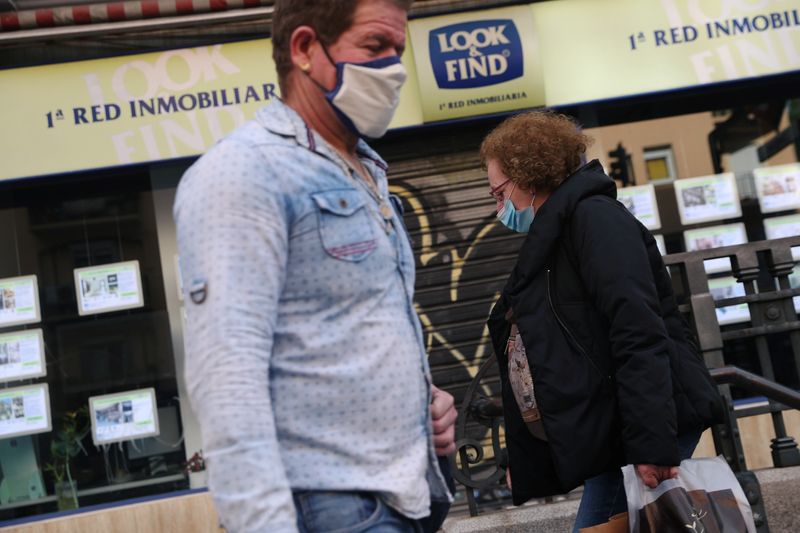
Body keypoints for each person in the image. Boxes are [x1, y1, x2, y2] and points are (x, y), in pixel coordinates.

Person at [174, 1, 456, 531]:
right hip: (331, 508)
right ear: (304, 49)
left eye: (399, 50)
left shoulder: (365, 167)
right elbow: (227, 376)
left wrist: (421, 404)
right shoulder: (244, 172)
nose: (394, 68)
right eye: (375, 47)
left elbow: (343, 332)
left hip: (405, 497)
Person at [480, 111, 724, 531]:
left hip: (635, 429)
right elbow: (559, 353)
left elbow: (639, 334)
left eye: (499, 193)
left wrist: (651, 444)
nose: (499, 208)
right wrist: (524, 457)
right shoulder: (557, 234)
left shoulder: (596, 222)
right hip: (615, 427)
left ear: (529, 176)